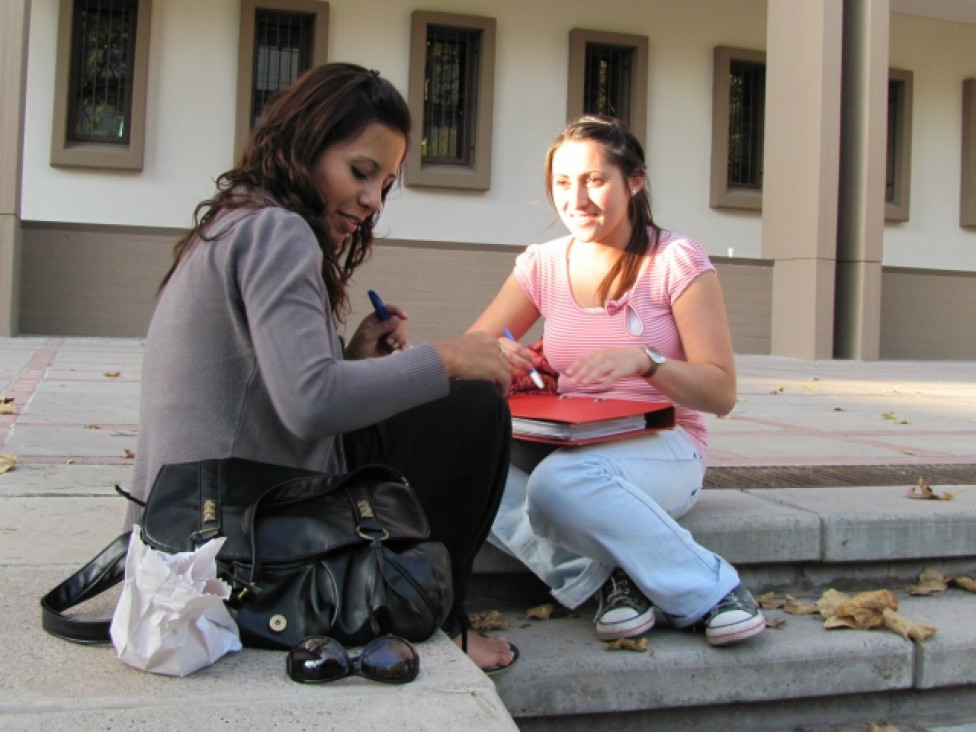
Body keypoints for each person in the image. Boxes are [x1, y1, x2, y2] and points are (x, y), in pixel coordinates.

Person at [125, 63, 516, 673]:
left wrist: (352, 359)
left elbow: (273, 387)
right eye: (361, 172)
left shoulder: (236, 222)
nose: (371, 198)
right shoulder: (279, 232)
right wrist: (444, 357)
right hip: (229, 541)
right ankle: (434, 610)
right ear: (304, 146)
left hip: (186, 522)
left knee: (430, 403)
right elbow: (309, 403)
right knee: (471, 405)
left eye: (385, 183)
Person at [469, 115, 765, 647]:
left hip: (665, 445)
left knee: (559, 485)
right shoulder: (542, 265)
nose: (576, 199)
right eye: (563, 183)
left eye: (594, 180)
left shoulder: (675, 260)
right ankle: (608, 580)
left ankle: (713, 590)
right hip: (570, 439)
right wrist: (496, 351)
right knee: (468, 460)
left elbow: (721, 393)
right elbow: (471, 349)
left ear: (634, 181)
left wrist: (647, 362)